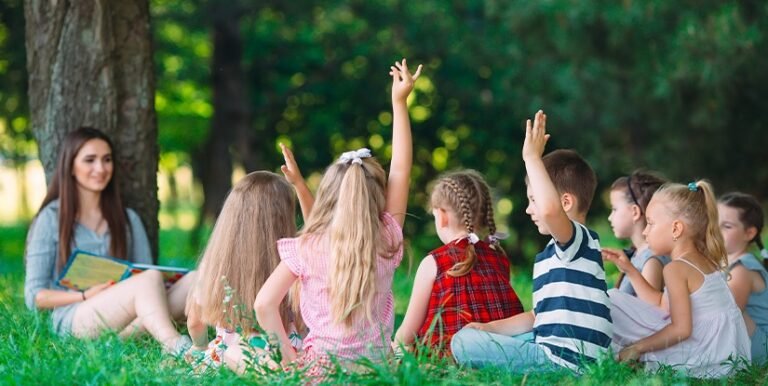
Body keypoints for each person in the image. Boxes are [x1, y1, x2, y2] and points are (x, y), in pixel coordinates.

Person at [253, 58, 421, 377]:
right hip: (377, 370)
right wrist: (399, 102)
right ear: (377, 195)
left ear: (328, 197)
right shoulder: (388, 236)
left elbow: (264, 305)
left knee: (239, 353)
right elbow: (402, 168)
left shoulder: (308, 248)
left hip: (321, 371)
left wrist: (290, 359)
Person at [451, 110, 612, 372]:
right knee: (484, 335)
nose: (529, 209)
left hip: (566, 359)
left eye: (533, 199)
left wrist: (531, 157)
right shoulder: (553, 254)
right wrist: (489, 328)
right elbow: (539, 317)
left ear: (565, 203)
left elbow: (550, 211)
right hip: (558, 349)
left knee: (462, 342)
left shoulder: (576, 240)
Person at [24, 127, 193, 355]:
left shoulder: (128, 219)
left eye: (107, 160)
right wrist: (84, 295)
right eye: (90, 160)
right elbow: (34, 296)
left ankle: (118, 342)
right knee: (149, 279)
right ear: (71, 166)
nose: (100, 169)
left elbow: (145, 274)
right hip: (76, 313)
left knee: (195, 279)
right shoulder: (50, 219)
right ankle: (176, 345)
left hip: (128, 308)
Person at [607, 181, 751, 378]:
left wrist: (637, 348)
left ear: (676, 229)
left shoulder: (676, 269)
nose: (644, 231)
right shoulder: (703, 259)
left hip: (703, 355)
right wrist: (630, 270)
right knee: (615, 300)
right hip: (724, 355)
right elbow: (662, 305)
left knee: (611, 301)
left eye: (650, 223)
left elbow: (681, 329)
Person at [393, 170, 523, 355]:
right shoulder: (499, 257)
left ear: (443, 216)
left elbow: (407, 334)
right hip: (502, 353)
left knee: (400, 347)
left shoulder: (433, 262)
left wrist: (395, 344)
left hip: (446, 356)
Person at [185, 171, 303, 373]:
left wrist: (199, 346)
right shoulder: (294, 261)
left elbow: (195, 321)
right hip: (287, 353)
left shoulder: (214, 265)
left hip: (229, 353)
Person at [718, 192, 768, 363]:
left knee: (724, 304)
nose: (716, 230)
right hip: (746, 340)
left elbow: (724, 316)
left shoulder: (742, 268)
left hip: (761, 349)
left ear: (749, 233)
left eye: (727, 226)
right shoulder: (723, 263)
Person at [604, 171, 670, 295]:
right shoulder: (638, 255)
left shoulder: (651, 260)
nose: (610, 217)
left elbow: (649, 311)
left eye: (614, 209)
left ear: (635, 212)